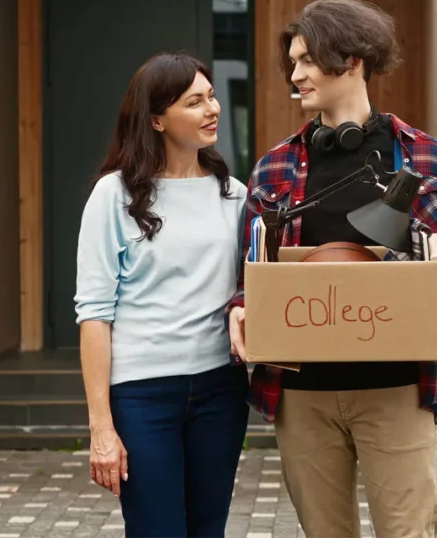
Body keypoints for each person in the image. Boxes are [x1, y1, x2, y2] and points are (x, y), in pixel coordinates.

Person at [227, 0, 437, 538]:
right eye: (293, 63)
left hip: (399, 391)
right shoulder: (274, 168)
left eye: (307, 61)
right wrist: (240, 309)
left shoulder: (427, 160)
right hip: (302, 396)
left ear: (352, 60)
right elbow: (248, 276)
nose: (295, 76)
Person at [74, 51, 249, 538]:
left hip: (220, 389)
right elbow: (94, 314)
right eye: (194, 102)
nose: (212, 109)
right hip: (142, 394)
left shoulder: (233, 194)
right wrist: (101, 429)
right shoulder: (113, 195)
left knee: (208, 529)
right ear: (156, 119)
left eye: (211, 96)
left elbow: (249, 288)